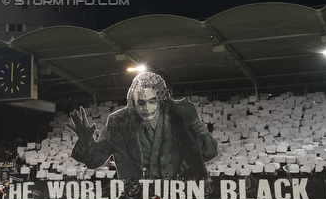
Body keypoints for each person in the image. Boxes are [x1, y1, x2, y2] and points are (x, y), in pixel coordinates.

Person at [66, 72, 218, 179]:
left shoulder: (179, 117)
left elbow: (206, 155)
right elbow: (95, 161)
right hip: (135, 198)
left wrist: (203, 135)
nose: (147, 108)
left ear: (161, 100)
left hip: (174, 197)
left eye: (152, 101)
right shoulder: (117, 122)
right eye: (141, 102)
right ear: (133, 102)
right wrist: (86, 142)